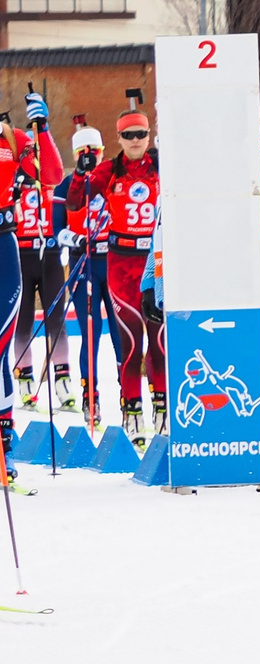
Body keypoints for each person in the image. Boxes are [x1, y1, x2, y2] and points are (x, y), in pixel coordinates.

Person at [59, 107, 164, 441]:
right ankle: (131, 411)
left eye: (141, 134)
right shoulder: (109, 170)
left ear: (148, 136)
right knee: (129, 343)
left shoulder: (161, 166)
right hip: (119, 264)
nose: (135, 141)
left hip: (155, 262)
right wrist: (80, 174)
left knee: (160, 343)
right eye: (128, 135)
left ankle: (162, 410)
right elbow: (74, 203)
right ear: (119, 138)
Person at [8, 90, 66, 411]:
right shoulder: (12, 177)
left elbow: (54, 170)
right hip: (18, 253)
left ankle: (63, 381)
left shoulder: (37, 165)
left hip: (47, 254)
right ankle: (25, 380)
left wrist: (42, 127)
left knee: (56, 321)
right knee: (22, 323)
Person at [53, 127, 114, 426]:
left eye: (95, 152)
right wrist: (74, 239)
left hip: (113, 262)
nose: (90, 158)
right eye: (83, 153)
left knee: (121, 335)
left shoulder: (112, 180)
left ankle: (131, 402)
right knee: (91, 333)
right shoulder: (66, 186)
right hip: (83, 264)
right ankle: (91, 398)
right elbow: (57, 230)